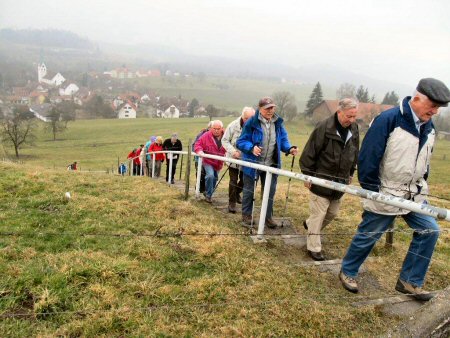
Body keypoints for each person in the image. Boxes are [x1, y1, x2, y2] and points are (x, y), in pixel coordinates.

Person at [339, 78, 450, 301]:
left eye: (439, 108)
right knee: (369, 234)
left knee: (430, 230)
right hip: (385, 191)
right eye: (433, 106)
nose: (435, 112)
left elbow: (424, 160)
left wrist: (422, 183)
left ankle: (409, 280)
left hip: (414, 194)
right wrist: (373, 190)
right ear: (417, 98)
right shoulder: (388, 120)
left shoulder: (429, 127)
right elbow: (369, 157)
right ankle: (348, 271)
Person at [300, 98, 360, 261]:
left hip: (340, 181)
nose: (352, 120)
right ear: (339, 111)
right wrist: (307, 174)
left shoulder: (354, 129)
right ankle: (314, 247)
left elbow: (355, 153)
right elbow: (309, 152)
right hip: (321, 178)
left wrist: (351, 173)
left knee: (332, 213)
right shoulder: (324, 127)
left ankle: (309, 224)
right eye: (349, 116)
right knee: (318, 214)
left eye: (355, 116)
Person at [236, 97, 298, 228]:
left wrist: (289, 148)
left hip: (271, 164)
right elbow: (240, 142)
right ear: (260, 109)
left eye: (272, 108)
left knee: (269, 192)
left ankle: (267, 217)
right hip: (252, 163)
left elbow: (283, 139)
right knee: (249, 191)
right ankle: (246, 215)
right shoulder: (251, 122)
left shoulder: (278, 122)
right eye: (267, 108)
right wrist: (251, 148)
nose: (271, 111)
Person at [222, 107, 256, 213]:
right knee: (233, 180)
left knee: (244, 181)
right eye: (247, 118)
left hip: (246, 159)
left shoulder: (255, 127)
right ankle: (231, 203)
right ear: (243, 117)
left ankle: (236, 193)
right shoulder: (233, 125)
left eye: (251, 119)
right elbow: (225, 140)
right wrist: (233, 152)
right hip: (233, 159)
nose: (249, 121)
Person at [194, 120, 226, 203]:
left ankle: (208, 193)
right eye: (214, 128)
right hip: (208, 160)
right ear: (211, 128)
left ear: (221, 128)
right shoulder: (206, 135)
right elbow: (198, 144)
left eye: (218, 129)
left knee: (215, 178)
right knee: (210, 175)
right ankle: (208, 196)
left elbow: (230, 145)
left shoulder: (226, 135)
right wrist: (200, 151)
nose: (216, 130)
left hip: (219, 162)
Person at [193, 122, 213, 193]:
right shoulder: (201, 134)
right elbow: (194, 145)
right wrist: (199, 152)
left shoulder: (214, 136)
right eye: (213, 128)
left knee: (207, 174)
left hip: (209, 160)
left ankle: (204, 189)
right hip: (199, 158)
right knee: (200, 173)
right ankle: (199, 188)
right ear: (209, 127)